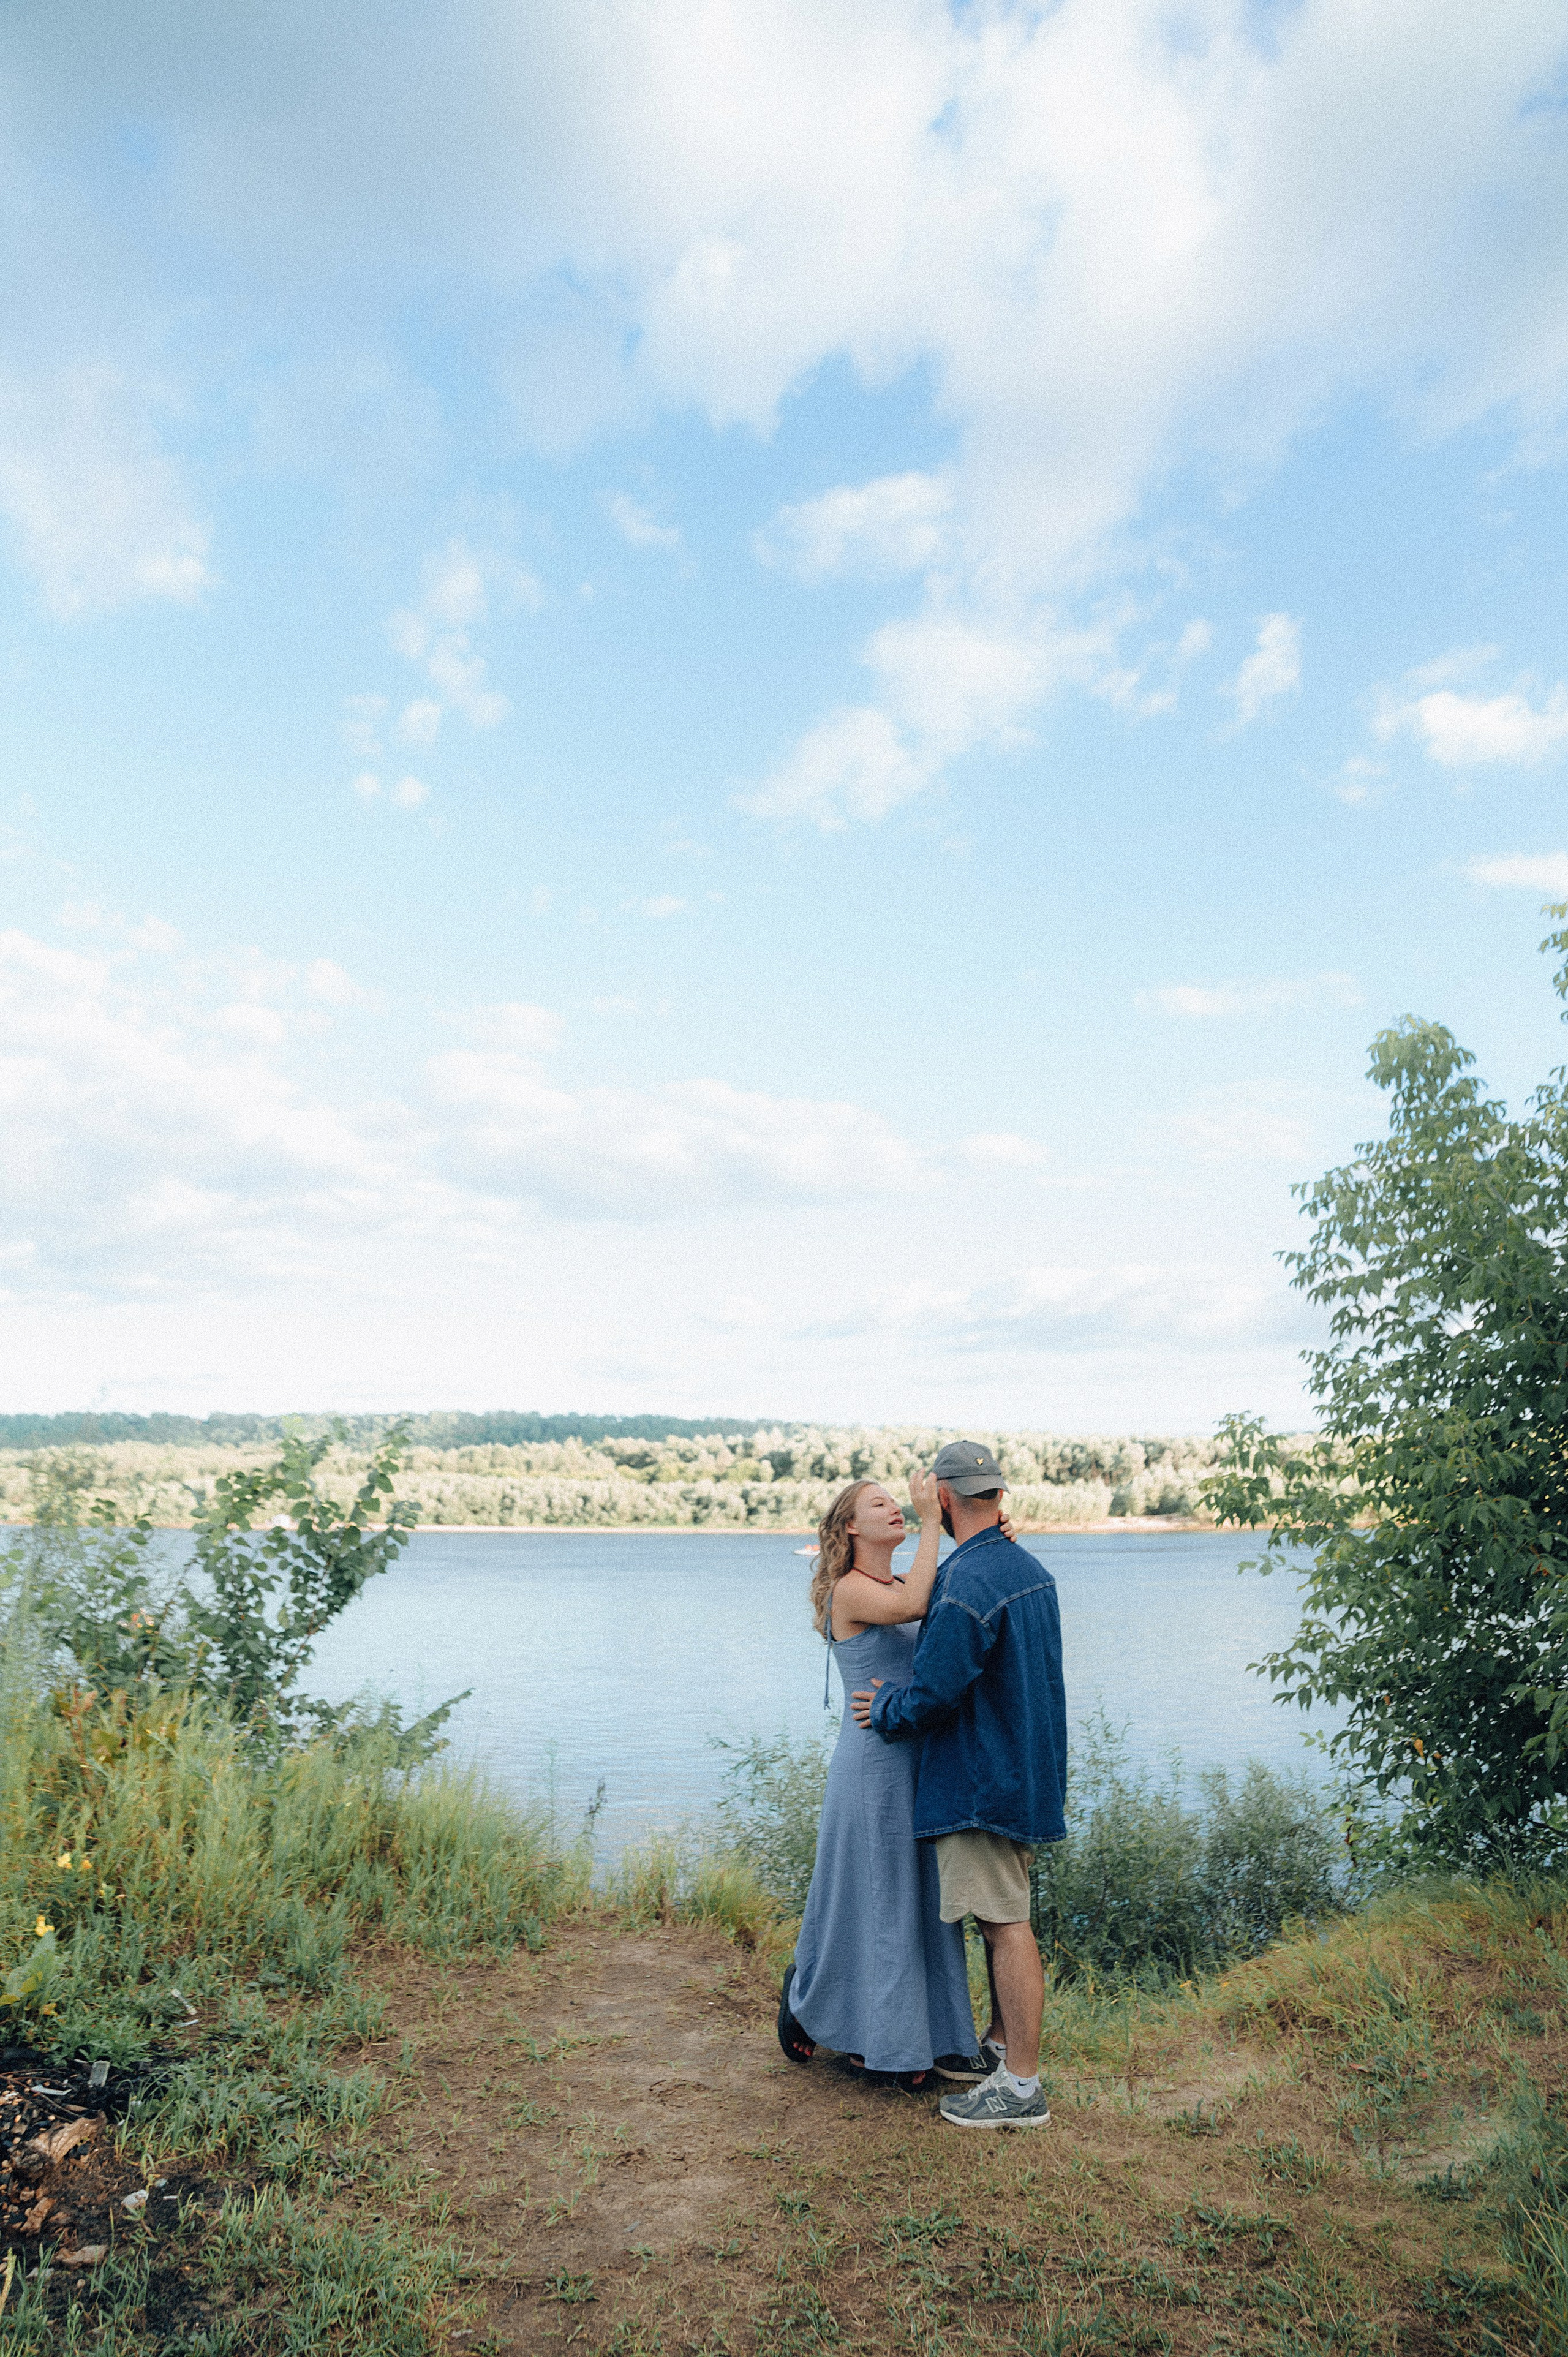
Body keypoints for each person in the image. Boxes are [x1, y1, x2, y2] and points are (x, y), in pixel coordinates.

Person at [851, 1440, 1066, 2130]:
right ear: (997, 1495)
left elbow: (934, 1692)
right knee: (1001, 1916)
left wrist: (884, 1707)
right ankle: (1001, 2052)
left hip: (981, 1779)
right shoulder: (1023, 1566)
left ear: (941, 1497)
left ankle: (1022, 2086)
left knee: (1005, 1927)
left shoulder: (969, 1580)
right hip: (1026, 1771)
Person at [777, 1471, 988, 2089]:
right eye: (879, 1504)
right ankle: (848, 2018)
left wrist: (988, 1540)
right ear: (850, 1526)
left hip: (917, 1764)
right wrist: (931, 1519)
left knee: (917, 1900)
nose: (894, 1508)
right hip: (871, 1766)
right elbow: (916, 1607)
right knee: (881, 1898)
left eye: (897, 1502)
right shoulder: (849, 1591)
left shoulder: (901, 1578)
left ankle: (907, 2033)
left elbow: (939, 1598)